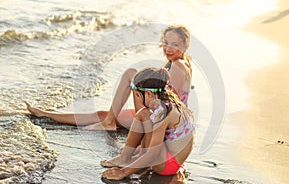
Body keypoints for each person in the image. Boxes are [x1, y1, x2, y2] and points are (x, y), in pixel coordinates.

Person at [25, 25, 193, 130]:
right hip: (156, 114)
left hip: (162, 121)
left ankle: (109, 122)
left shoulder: (178, 65)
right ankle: (45, 114)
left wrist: (139, 89)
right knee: (102, 114)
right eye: (166, 43)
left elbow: (171, 105)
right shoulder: (178, 62)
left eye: (175, 45)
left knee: (130, 75)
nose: (168, 48)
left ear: (185, 46)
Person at [101, 67, 195, 180]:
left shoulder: (162, 114)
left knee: (142, 114)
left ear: (149, 94)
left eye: (137, 95)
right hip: (174, 159)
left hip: (166, 166)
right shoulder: (172, 102)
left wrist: (124, 172)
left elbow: (153, 154)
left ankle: (126, 158)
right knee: (144, 113)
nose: (137, 100)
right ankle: (127, 157)